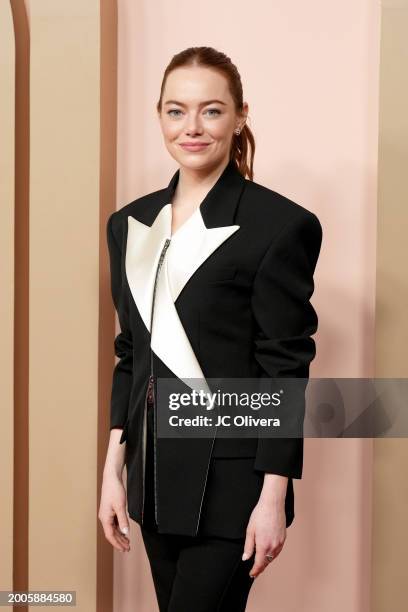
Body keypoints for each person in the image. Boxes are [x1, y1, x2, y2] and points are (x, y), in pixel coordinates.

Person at [98, 46, 323, 611]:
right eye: (176, 111)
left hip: (234, 487)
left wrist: (274, 495)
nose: (191, 128)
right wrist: (112, 471)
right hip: (152, 480)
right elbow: (132, 353)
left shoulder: (281, 225)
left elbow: (286, 368)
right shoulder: (129, 224)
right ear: (160, 117)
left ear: (240, 115)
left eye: (211, 111)